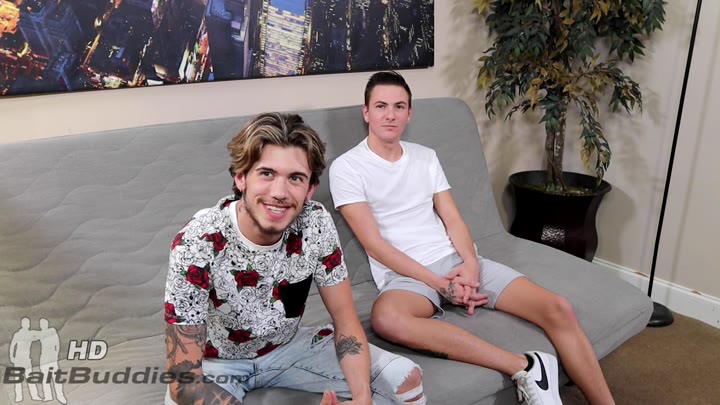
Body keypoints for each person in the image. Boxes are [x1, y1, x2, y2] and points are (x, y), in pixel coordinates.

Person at [329, 71, 615, 405]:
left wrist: (470, 265)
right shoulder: (347, 167)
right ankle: (524, 366)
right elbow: (375, 245)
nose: (390, 114)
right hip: (406, 276)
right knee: (387, 319)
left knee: (558, 308)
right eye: (381, 106)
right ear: (366, 112)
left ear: (409, 113)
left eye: (399, 106)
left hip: (453, 260)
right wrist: (440, 284)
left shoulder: (425, 156)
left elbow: (452, 219)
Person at [164, 112, 425, 405]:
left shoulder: (315, 223)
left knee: (405, 380)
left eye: (295, 178)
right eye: (266, 173)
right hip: (216, 364)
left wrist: (362, 397)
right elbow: (183, 383)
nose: (280, 193)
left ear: (310, 188)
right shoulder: (197, 242)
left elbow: (346, 321)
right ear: (241, 177)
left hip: (288, 347)